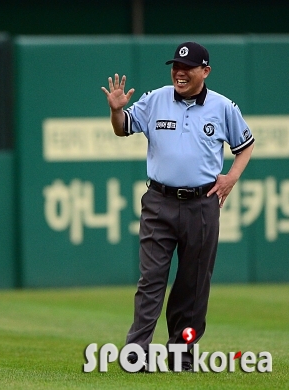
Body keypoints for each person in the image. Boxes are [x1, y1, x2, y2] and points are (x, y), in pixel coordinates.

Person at [101, 41, 254, 372]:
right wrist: (115, 111)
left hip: (202, 204)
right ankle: (136, 354)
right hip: (159, 202)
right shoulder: (155, 100)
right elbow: (123, 128)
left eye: (187, 68)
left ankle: (182, 354)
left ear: (205, 71)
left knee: (193, 282)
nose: (179, 73)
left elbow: (245, 145)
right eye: (176, 67)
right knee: (151, 280)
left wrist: (231, 178)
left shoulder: (222, 106)